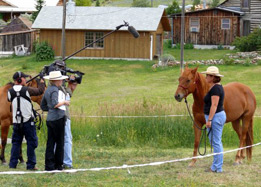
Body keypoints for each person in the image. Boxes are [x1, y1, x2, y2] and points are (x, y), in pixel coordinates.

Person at [8, 71, 45, 170]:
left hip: (16, 122)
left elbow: (10, 99)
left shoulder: (10, 91)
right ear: (20, 79)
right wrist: (42, 80)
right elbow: (40, 91)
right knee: (31, 143)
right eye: (24, 78)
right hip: (28, 121)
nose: (25, 79)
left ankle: (12, 164)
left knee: (16, 143)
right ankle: (31, 165)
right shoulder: (27, 90)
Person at [40, 71, 69, 171]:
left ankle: (49, 165)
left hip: (50, 119)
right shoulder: (55, 90)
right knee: (60, 142)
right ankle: (58, 165)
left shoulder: (47, 90)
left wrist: (50, 111)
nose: (62, 80)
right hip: (58, 119)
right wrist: (64, 102)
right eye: (60, 79)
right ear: (56, 80)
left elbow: (43, 105)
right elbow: (54, 104)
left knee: (50, 142)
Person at [201, 66, 226, 173]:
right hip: (215, 117)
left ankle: (218, 167)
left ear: (213, 77)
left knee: (216, 142)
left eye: (208, 75)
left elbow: (214, 105)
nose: (206, 77)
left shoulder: (216, 88)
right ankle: (215, 166)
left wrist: (209, 120)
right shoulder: (214, 87)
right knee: (215, 142)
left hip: (215, 117)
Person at [63, 76, 78, 169]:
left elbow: (68, 95)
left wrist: (70, 86)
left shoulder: (58, 87)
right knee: (67, 139)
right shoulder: (59, 88)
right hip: (64, 116)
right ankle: (67, 162)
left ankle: (63, 161)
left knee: (64, 138)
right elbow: (66, 97)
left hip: (61, 116)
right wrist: (69, 86)